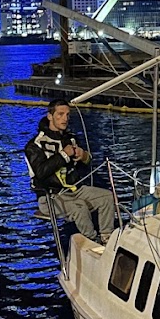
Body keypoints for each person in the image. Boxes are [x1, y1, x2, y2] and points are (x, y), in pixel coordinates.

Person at [24, 100, 116, 243]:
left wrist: (84, 156)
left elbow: (86, 166)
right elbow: (41, 172)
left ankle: (107, 237)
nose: (65, 118)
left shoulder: (71, 139)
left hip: (75, 190)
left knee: (106, 197)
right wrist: (64, 155)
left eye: (67, 115)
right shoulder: (34, 145)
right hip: (50, 196)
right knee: (79, 208)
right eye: (60, 114)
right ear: (50, 116)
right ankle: (92, 241)